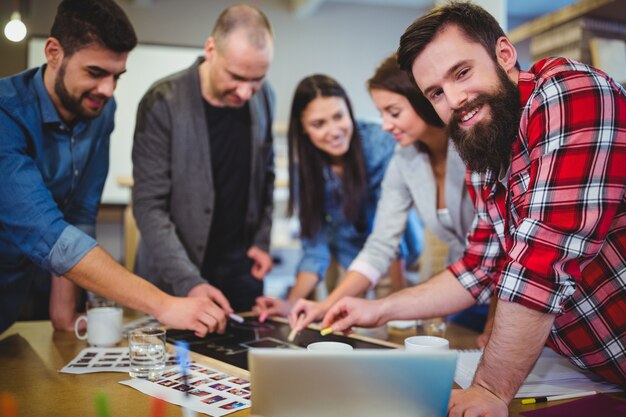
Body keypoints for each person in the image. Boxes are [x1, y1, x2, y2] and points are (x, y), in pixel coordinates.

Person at [323, 2, 626, 415]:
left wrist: (489, 387)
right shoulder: (483, 152)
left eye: (461, 73)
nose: (454, 100)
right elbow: (478, 267)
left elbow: (542, 261)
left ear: (504, 54)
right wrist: (378, 308)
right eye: (436, 93)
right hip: (596, 372)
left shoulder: (569, 92)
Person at [0, 0, 225, 336]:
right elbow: (49, 234)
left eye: (116, 76)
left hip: (15, 296)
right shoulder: (6, 113)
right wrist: (165, 304)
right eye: (95, 72)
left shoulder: (100, 110)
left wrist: (63, 315)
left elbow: (79, 212)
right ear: (53, 52)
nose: (107, 90)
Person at [287, 55, 485, 334]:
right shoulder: (404, 159)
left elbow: (504, 245)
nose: (384, 125)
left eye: (393, 112)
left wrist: (496, 322)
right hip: (464, 285)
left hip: (501, 288)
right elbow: (380, 244)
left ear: (420, 99)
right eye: (382, 114)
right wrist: (325, 305)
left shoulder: (470, 144)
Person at [132, 4, 275, 314]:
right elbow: (148, 206)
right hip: (173, 281)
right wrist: (189, 282)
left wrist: (262, 241)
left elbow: (267, 176)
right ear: (211, 49)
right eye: (236, 76)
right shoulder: (163, 101)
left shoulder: (266, 97)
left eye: (257, 79)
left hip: (240, 276)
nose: (246, 92)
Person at [253, 74, 423, 320]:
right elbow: (315, 250)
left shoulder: (380, 142)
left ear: (349, 110)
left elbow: (392, 240)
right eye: (318, 124)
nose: (334, 131)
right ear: (303, 127)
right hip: (350, 264)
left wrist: (401, 302)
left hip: (397, 265)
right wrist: (291, 304)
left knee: (397, 330)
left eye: (339, 117)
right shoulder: (306, 170)